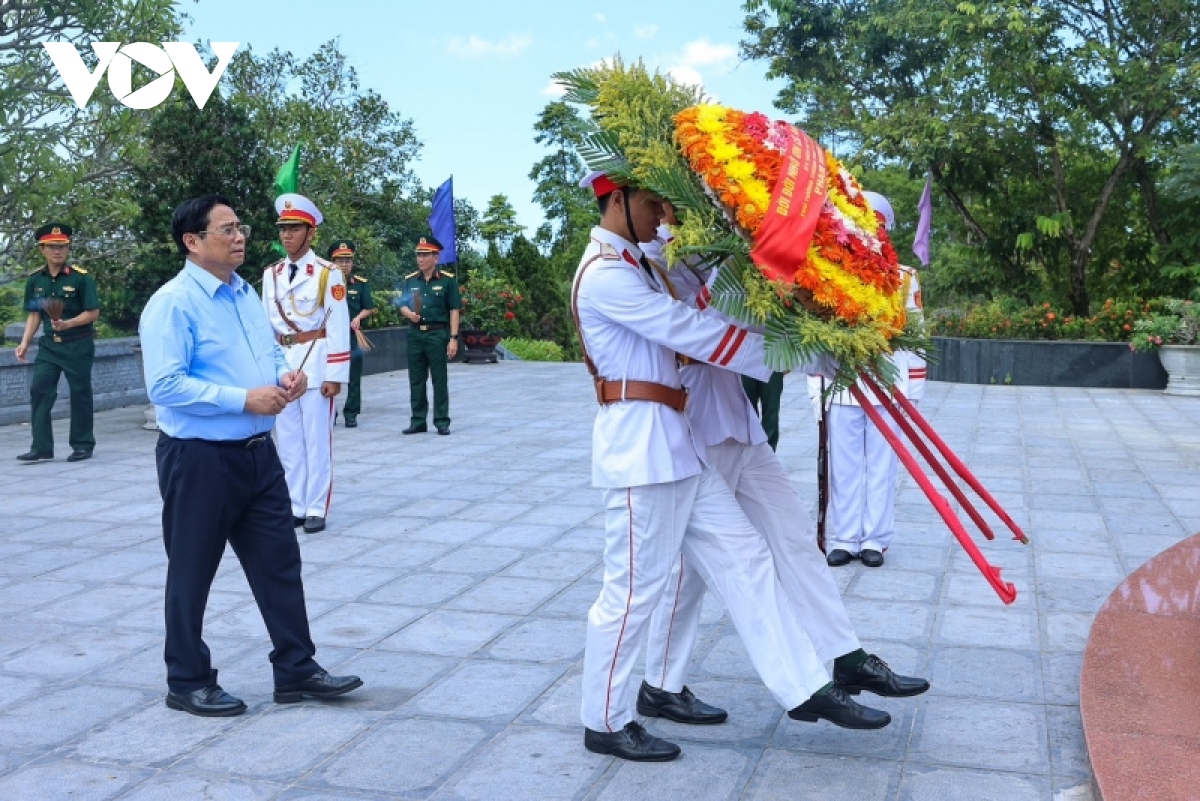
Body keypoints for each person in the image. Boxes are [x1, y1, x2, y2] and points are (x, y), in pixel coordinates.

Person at [573, 172, 890, 765]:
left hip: (679, 447)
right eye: (650, 204)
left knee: (747, 558)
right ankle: (606, 720)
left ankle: (806, 689)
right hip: (641, 453)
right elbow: (693, 332)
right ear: (614, 200)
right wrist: (809, 355)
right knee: (632, 594)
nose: (661, 215)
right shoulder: (605, 274)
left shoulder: (639, 264)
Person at [637, 218, 928, 727]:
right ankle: (661, 684)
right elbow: (699, 336)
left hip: (736, 420)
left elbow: (752, 321)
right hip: (693, 427)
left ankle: (844, 655)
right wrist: (764, 281)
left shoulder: (703, 247)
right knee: (700, 570)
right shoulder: (648, 262)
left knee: (794, 538)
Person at [139, 194, 361, 717]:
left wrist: (285, 373)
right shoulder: (172, 303)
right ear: (193, 242)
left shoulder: (241, 293)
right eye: (227, 229)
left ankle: (296, 668)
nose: (240, 237)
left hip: (258, 454)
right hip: (199, 459)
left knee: (279, 562)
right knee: (192, 571)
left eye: (240, 227)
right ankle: (188, 679)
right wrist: (243, 399)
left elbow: (267, 350)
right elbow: (164, 385)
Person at [809, 191, 920, 569]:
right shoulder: (831, 278)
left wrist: (914, 394)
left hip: (889, 387)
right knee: (844, 466)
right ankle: (843, 537)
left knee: (882, 466)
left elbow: (916, 338)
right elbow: (817, 338)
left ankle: (874, 539)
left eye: (875, 229)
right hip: (841, 387)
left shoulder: (905, 279)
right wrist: (816, 393)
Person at [261, 194, 351, 534]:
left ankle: (316, 506)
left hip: (315, 362)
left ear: (310, 233)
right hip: (283, 365)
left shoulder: (328, 274)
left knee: (317, 441)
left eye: (294, 228)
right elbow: (265, 327)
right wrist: (269, 371)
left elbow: (338, 326)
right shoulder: (271, 275)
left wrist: (336, 375)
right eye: (283, 228)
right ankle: (295, 503)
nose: (287, 235)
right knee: (288, 441)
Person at [14, 223, 100, 463]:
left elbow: (92, 313)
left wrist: (69, 323)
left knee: (80, 393)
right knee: (40, 391)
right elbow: (34, 315)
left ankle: (82, 444)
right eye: (52, 247)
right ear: (42, 249)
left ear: (68, 248)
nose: (57, 251)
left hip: (77, 344)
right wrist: (24, 343)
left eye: (62, 246)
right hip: (49, 346)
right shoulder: (35, 281)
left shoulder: (82, 279)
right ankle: (41, 447)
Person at [397, 236, 460, 435]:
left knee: (439, 379)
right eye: (419, 255)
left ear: (435, 257)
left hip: (437, 334)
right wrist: (408, 314)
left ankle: (442, 420)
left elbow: (454, 310)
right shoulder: (410, 280)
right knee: (416, 379)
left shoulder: (447, 281)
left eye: (425, 255)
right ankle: (418, 420)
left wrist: (453, 338)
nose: (421, 259)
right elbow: (401, 304)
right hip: (415, 334)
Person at [328, 240, 375, 428]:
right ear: (333, 262)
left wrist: (358, 317)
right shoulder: (325, 282)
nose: (344, 264)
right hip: (331, 336)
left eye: (348, 260)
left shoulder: (360, 284)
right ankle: (331, 411)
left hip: (353, 336)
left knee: (354, 377)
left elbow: (369, 307)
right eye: (340, 260)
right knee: (331, 374)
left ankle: (351, 413)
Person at [741, 372, 784, 450]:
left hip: (772, 366)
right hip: (745, 366)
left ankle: (768, 452)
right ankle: (749, 451)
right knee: (747, 411)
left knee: (771, 413)